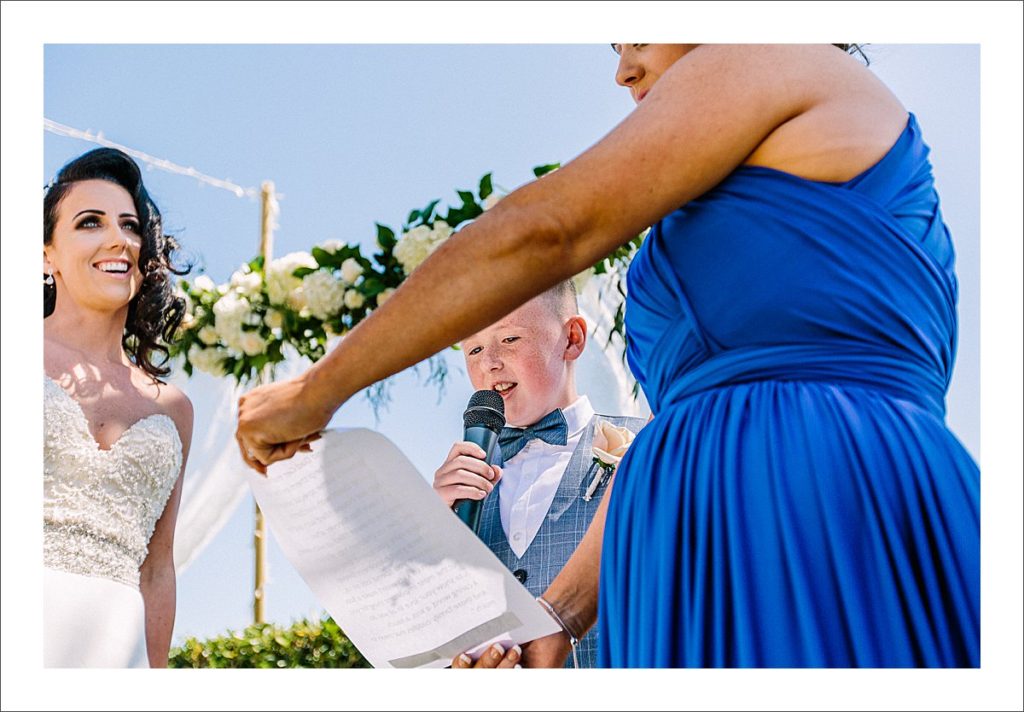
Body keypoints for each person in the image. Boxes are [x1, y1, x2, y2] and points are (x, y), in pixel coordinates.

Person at [236, 44, 979, 667]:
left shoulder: (771, 53)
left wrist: (317, 390)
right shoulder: (758, 166)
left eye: (638, 31)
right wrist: (559, 616)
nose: (623, 71)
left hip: (807, 495)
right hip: (697, 544)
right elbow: (677, 427)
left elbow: (543, 232)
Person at [430, 281, 645, 668]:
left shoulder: (647, 445)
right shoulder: (458, 488)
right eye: (474, 348)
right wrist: (432, 529)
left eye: (509, 338)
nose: (489, 362)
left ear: (572, 339)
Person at [43, 147, 194, 667]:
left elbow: (158, 569)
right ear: (46, 254)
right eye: (90, 222)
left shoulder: (173, 408)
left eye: (131, 226)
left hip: (116, 650)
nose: (118, 240)